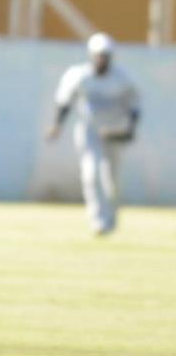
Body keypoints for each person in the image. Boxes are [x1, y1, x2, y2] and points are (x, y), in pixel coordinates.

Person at [47, 33, 140, 235]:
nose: (102, 60)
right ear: (91, 55)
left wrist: (130, 128)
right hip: (89, 130)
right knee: (91, 174)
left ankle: (111, 217)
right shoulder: (80, 75)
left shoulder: (123, 78)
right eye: (99, 55)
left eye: (105, 56)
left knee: (111, 179)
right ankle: (98, 220)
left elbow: (134, 106)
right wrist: (57, 125)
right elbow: (65, 101)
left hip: (114, 131)